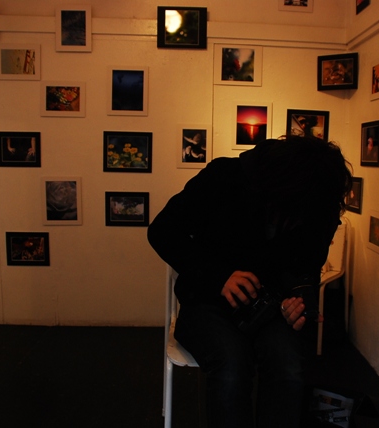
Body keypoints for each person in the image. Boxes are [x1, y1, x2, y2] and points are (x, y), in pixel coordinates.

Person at [147, 135, 353, 427]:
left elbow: (307, 265)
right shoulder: (224, 177)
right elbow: (162, 231)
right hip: (207, 301)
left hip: (270, 306)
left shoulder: (317, 202)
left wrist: (300, 299)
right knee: (232, 366)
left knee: (288, 368)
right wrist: (220, 277)